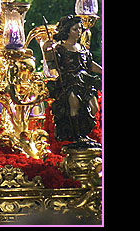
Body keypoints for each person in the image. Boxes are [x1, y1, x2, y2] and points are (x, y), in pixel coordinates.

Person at [42, 15, 102, 146]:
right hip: (69, 82)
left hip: (85, 81)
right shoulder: (60, 48)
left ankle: (83, 131)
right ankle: (76, 136)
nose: (79, 31)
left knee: (94, 107)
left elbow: (90, 64)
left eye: (80, 28)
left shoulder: (82, 48)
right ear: (67, 31)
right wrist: (46, 50)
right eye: (75, 29)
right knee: (73, 104)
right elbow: (51, 64)